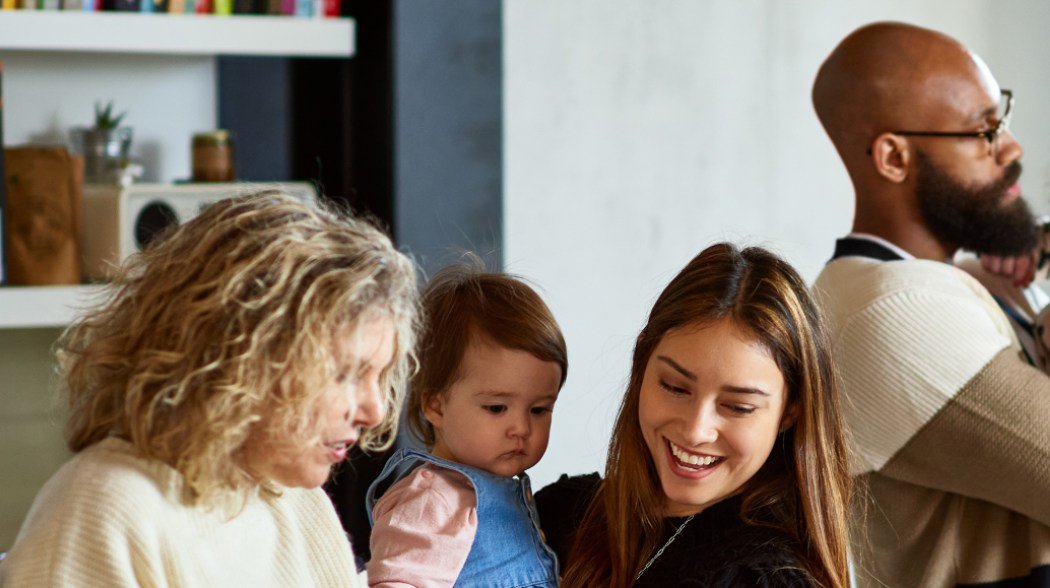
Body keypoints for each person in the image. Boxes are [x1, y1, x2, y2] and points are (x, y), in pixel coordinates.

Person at [0, 192, 419, 587]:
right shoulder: (108, 510)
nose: (375, 411)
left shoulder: (294, 502)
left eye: (377, 377)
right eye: (345, 374)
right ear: (237, 356)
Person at [811, 21, 1050, 587]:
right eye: (982, 130)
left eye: (1004, 119)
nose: (1011, 148)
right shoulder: (894, 313)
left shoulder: (959, 283)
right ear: (894, 157)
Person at [536, 243, 852, 588]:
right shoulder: (555, 516)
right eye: (675, 387)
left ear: (790, 413)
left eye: (738, 407)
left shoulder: (763, 579)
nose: (695, 430)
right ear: (641, 361)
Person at [366, 263, 566, 587]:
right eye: (497, 407)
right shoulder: (433, 499)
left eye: (539, 409)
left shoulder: (497, 496)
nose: (521, 428)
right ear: (436, 406)